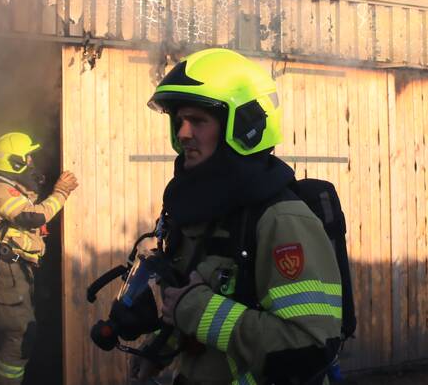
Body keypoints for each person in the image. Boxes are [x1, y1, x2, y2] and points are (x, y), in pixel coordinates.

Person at [133, 47, 343, 385]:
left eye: (198, 121)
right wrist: (160, 348)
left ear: (245, 126)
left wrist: (195, 309)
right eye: (179, 120)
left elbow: (311, 348)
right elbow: (200, 307)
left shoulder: (281, 220)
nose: (183, 133)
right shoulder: (207, 215)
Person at [0, 132, 79, 384]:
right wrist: (60, 193)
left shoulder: (14, 190)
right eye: (28, 156)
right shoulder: (0, 190)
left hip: (16, 272)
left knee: (24, 335)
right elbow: (33, 217)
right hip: (5, 272)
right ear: (15, 161)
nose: (31, 161)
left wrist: (34, 190)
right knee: (21, 336)